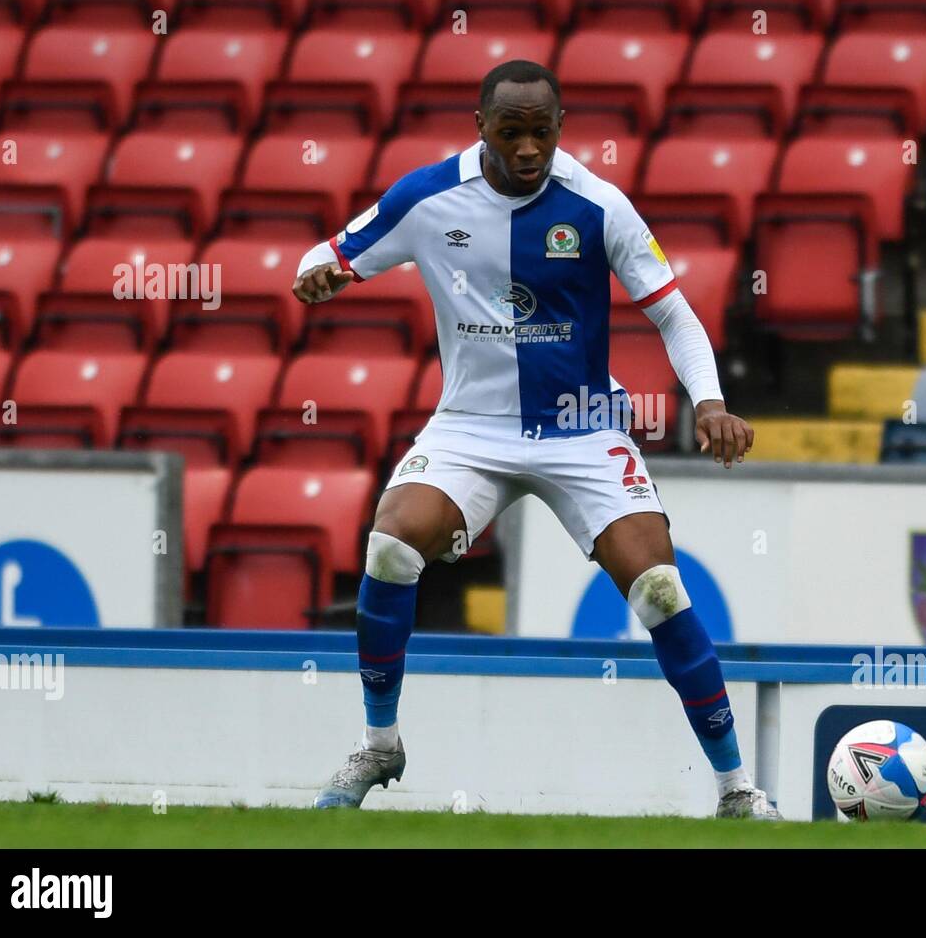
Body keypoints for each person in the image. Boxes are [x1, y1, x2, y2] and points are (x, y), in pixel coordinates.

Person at [293, 60, 777, 819]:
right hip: (470, 428)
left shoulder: (597, 203)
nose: (527, 149)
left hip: (581, 427)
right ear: (480, 126)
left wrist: (710, 401)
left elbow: (675, 314)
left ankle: (736, 790)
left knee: (658, 588)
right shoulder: (426, 197)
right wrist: (318, 274)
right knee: (391, 546)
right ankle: (379, 744)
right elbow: (329, 255)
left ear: (559, 129)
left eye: (541, 133)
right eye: (511, 132)